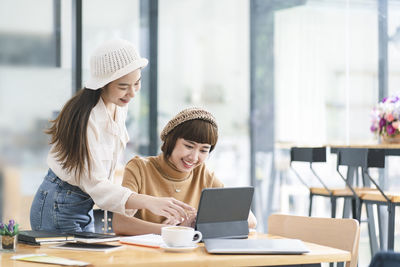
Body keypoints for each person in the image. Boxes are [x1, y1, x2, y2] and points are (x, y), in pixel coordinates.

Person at [30, 39, 193, 233]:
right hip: (60, 203)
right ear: (103, 84)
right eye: (123, 86)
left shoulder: (118, 106)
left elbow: (103, 172)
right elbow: (96, 184)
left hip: (82, 202)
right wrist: (149, 202)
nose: (132, 93)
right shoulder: (88, 118)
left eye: (137, 83)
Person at [113, 107, 257, 235]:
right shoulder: (139, 168)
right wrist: (172, 231)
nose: (194, 157)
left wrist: (198, 221)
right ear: (171, 140)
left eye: (204, 150)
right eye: (189, 146)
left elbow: (250, 220)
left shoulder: (204, 174)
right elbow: (120, 224)